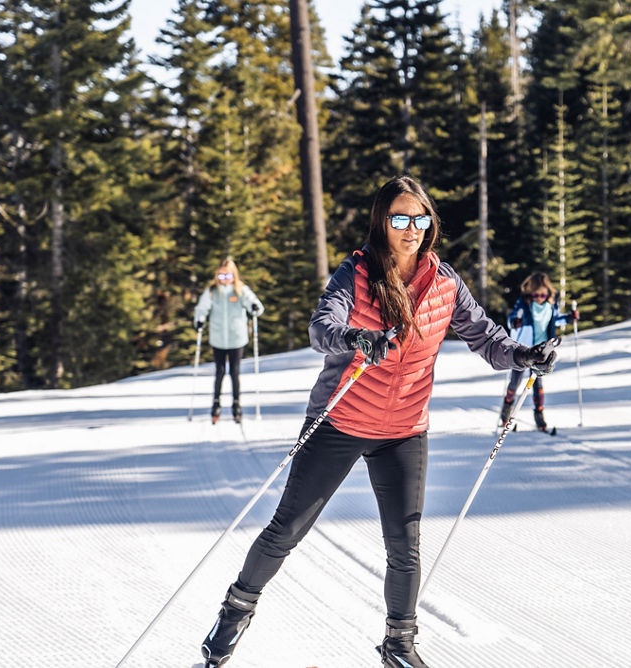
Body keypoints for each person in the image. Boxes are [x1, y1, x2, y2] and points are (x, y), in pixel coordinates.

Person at [199, 176, 558, 668]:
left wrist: (525, 354)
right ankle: (235, 611)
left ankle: (399, 646)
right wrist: (355, 338)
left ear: (430, 222)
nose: (411, 228)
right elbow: (321, 329)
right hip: (341, 421)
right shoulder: (357, 273)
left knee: (405, 545)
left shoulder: (444, 283)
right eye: (399, 218)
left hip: (404, 429)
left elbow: (485, 336)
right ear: (382, 222)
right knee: (287, 529)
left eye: (419, 218)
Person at [500, 272, 575, 432]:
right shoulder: (524, 304)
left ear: (547, 292)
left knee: (537, 384)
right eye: (535, 294)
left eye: (542, 294)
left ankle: (539, 415)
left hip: (541, 352)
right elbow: (512, 318)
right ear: (530, 293)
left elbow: (556, 320)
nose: (539, 297)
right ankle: (506, 412)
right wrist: (514, 321)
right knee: (515, 381)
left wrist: (569, 318)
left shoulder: (551, 306)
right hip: (523, 350)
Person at [194, 257, 264, 424]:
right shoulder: (212, 291)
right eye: (221, 276)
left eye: (228, 276)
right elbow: (202, 308)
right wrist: (200, 320)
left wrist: (254, 307)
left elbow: (255, 304)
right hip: (218, 338)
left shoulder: (240, 290)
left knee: (234, 371)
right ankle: (216, 403)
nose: (224, 280)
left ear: (234, 276)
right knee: (219, 371)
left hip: (236, 338)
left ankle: (236, 404)